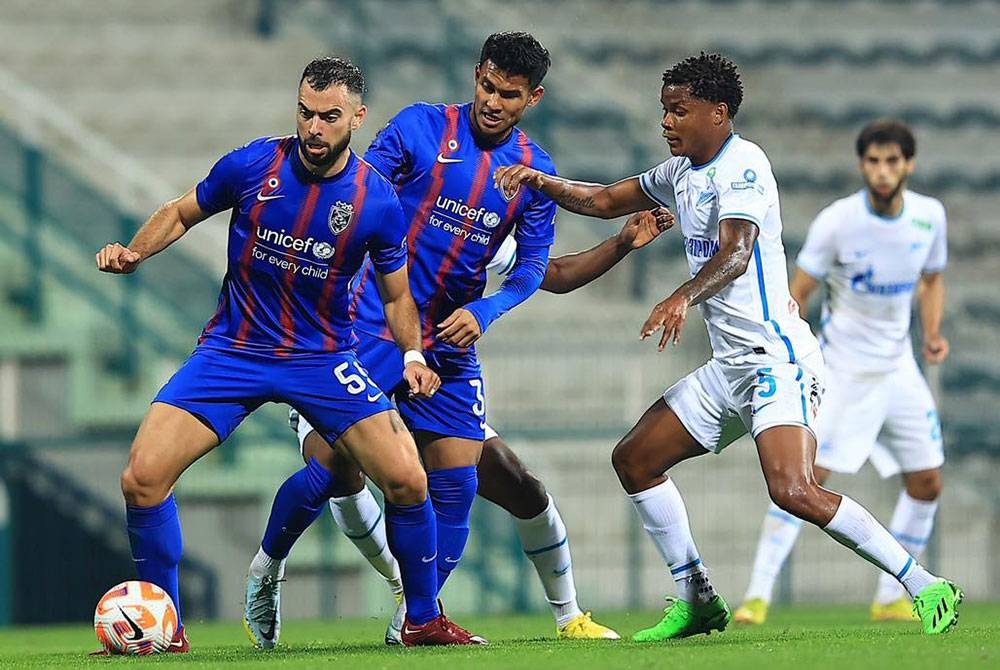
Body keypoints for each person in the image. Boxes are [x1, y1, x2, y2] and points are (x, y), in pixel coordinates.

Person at [494, 52, 963, 639]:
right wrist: (539, 180)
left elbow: (736, 253)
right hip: (729, 367)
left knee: (793, 489)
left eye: (678, 111)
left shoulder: (744, 166)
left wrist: (682, 297)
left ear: (718, 114)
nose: (666, 122)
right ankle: (697, 597)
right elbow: (603, 200)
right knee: (635, 460)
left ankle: (924, 584)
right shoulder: (679, 171)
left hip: (777, 360)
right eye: (664, 110)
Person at [95, 56, 479, 652]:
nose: (313, 127)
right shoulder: (254, 165)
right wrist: (136, 253)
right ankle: (162, 630)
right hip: (233, 349)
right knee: (141, 479)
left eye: (329, 116)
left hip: (323, 358)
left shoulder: (376, 201)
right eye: (305, 112)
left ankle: (423, 620)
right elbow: (179, 211)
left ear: (357, 117)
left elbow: (398, 295)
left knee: (407, 479)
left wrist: (411, 357)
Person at [244, 31, 603, 647]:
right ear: (476, 75)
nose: (493, 101)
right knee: (332, 465)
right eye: (486, 86)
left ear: (533, 97)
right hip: (369, 324)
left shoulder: (533, 172)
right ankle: (266, 570)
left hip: (451, 340)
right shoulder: (419, 129)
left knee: (458, 478)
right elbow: (350, 190)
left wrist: (486, 311)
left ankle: (417, 618)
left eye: (509, 94)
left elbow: (534, 269)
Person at [290, 208, 672, 643]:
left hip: (437, 373)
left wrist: (620, 242)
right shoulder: (378, 210)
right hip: (356, 360)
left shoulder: (469, 228)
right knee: (334, 472)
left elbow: (556, 273)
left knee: (521, 485)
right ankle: (278, 571)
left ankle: (567, 617)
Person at [733, 119, 949, 625]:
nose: (882, 171)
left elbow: (932, 280)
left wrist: (932, 332)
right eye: (873, 161)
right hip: (843, 369)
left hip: (897, 368)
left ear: (908, 165)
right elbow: (798, 291)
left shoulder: (929, 218)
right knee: (805, 480)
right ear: (861, 165)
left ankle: (893, 596)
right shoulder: (838, 222)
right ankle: (757, 596)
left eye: (892, 161)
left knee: (928, 482)